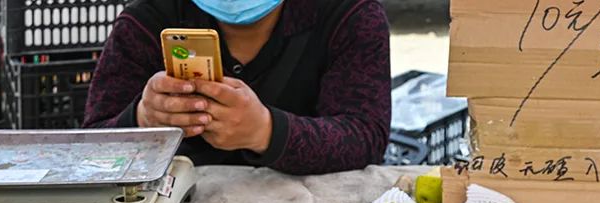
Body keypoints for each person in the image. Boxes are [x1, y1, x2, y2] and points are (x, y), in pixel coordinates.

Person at [83, 0, 391, 174]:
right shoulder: (146, 21)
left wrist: (267, 132)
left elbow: (365, 137)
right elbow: (91, 149)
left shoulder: (351, 15)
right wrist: (142, 119)